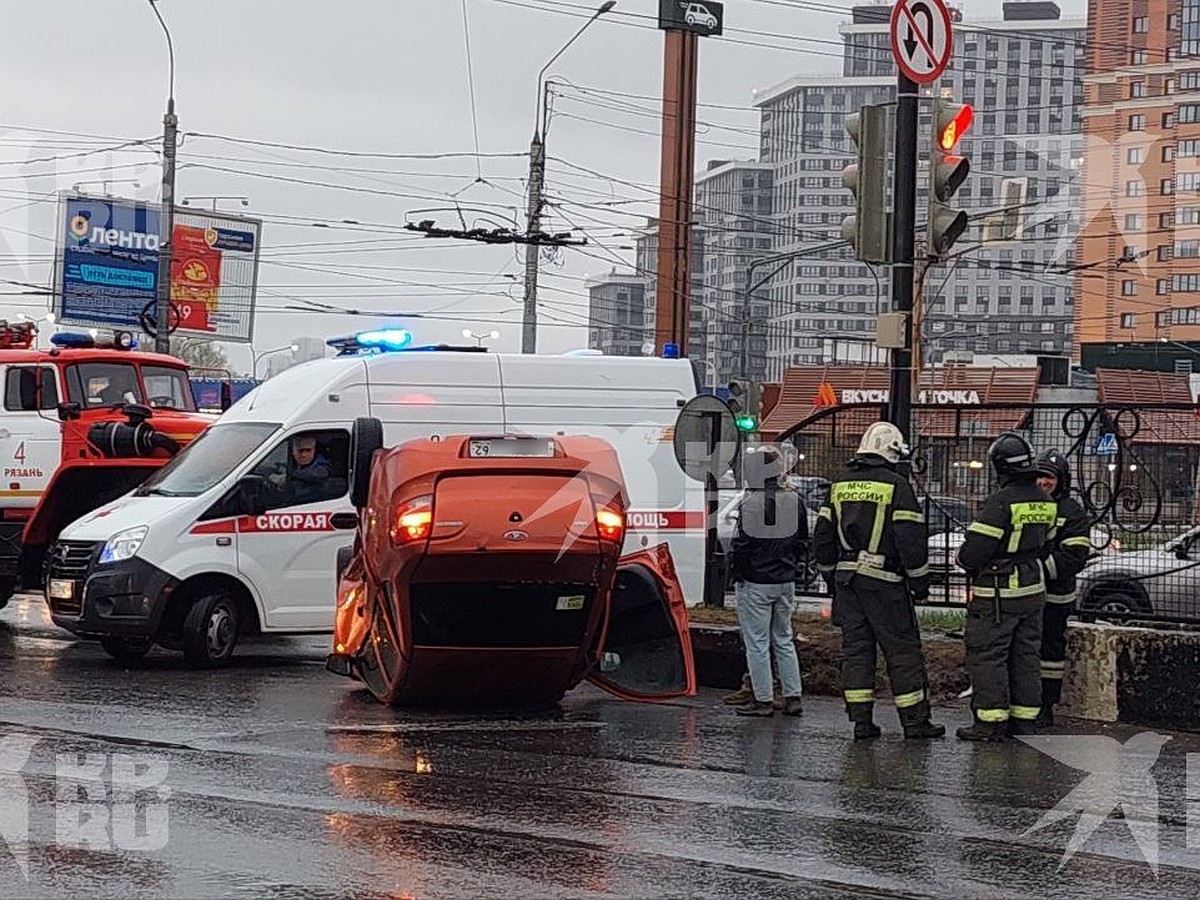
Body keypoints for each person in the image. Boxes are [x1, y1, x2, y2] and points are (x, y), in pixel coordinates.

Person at [813, 421, 945, 740]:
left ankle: (861, 721)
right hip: (885, 584)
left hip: (847, 583)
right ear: (892, 451)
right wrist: (920, 584)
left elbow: (823, 536)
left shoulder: (840, 484)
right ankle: (914, 722)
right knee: (902, 651)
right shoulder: (896, 485)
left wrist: (831, 575)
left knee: (857, 651)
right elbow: (910, 540)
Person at [956, 432, 1056, 742]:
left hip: (998, 593)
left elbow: (971, 554)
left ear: (1000, 467)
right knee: (1026, 656)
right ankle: (1025, 720)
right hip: (1033, 590)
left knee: (989, 655)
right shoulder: (1045, 500)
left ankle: (990, 722)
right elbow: (1047, 545)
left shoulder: (1000, 502)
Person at [729, 446, 806, 718]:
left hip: (756, 581)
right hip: (785, 580)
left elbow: (743, 545)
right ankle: (792, 696)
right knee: (784, 638)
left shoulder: (752, 502)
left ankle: (763, 700)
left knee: (757, 643)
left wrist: (737, 573)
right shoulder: (794, 499)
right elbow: (802, 540)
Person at [1034, 449, 1093, 727]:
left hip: (1055, 597)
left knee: (1051, 653)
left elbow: (1074, 557)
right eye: (1041, 476)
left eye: (1050, 477)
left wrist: (1034, 570)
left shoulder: (1072, 512)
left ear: (1061, 480)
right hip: (1026, 595)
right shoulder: (1028, 504)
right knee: (1024, 651)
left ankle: (1046, 705)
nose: (1044, 482)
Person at [270, 435, 332, 505]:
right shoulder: (288, 460)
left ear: (314, 450)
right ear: (293, 450)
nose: (304, 455)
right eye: (300, 451)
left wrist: (289, 476)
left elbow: (318, 474)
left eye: (308, 450)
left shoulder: (321, 465)